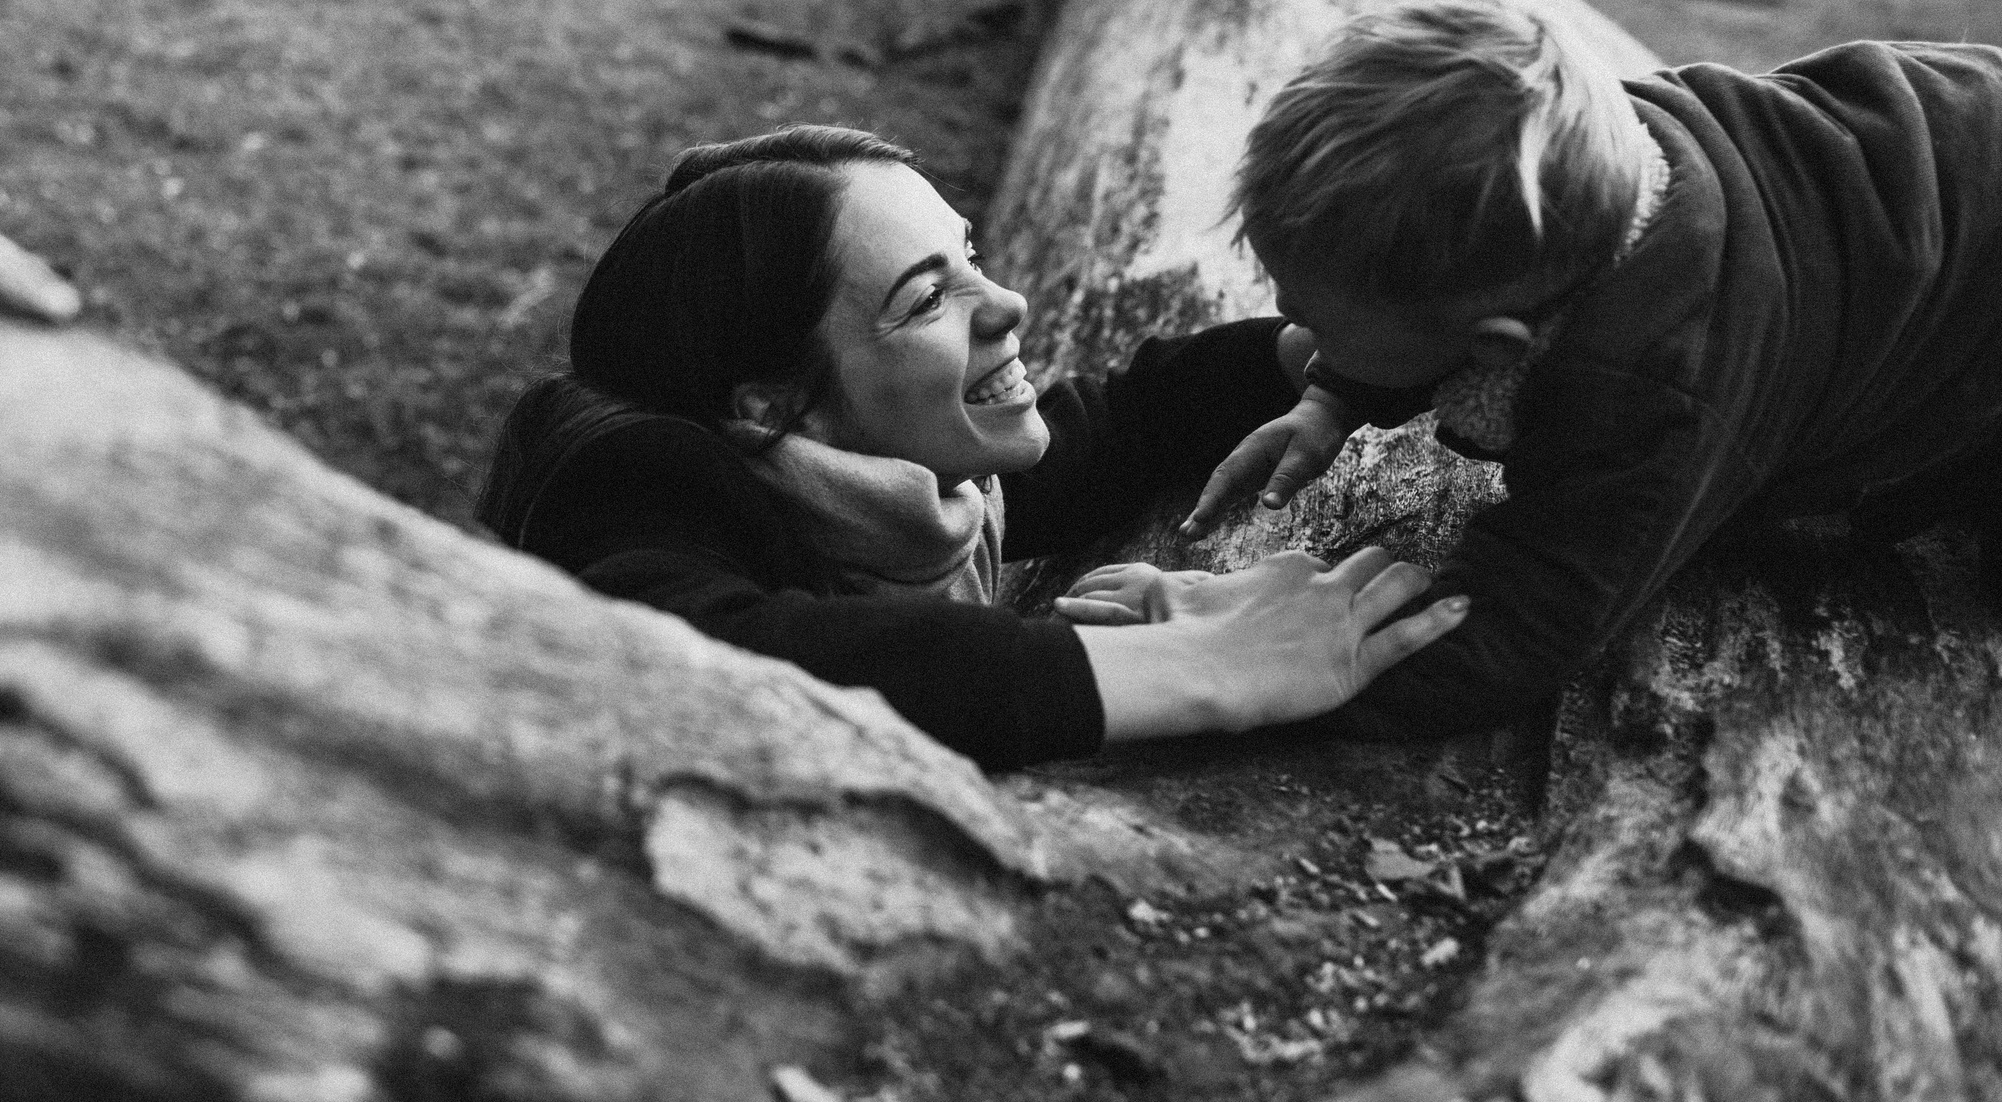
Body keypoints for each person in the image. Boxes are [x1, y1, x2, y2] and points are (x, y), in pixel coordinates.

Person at [478, 126, 1468, 769]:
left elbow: (1117, 427)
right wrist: (1209, 662)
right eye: (925, 298)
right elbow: (753, 666)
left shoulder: (902, 479)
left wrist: (1339, 351)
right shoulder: (634, 502)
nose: (1007, 305)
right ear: (774, 405)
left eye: (972, 258)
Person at [1185, 0, 2002, 737]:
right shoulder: (1560, 192)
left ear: (1499, 344)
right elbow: (1441, 316)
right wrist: (1333, 396)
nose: (1287, 319)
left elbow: (1506, 636)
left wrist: (1230, 662)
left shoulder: (1656, 391)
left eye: (1314, 316)